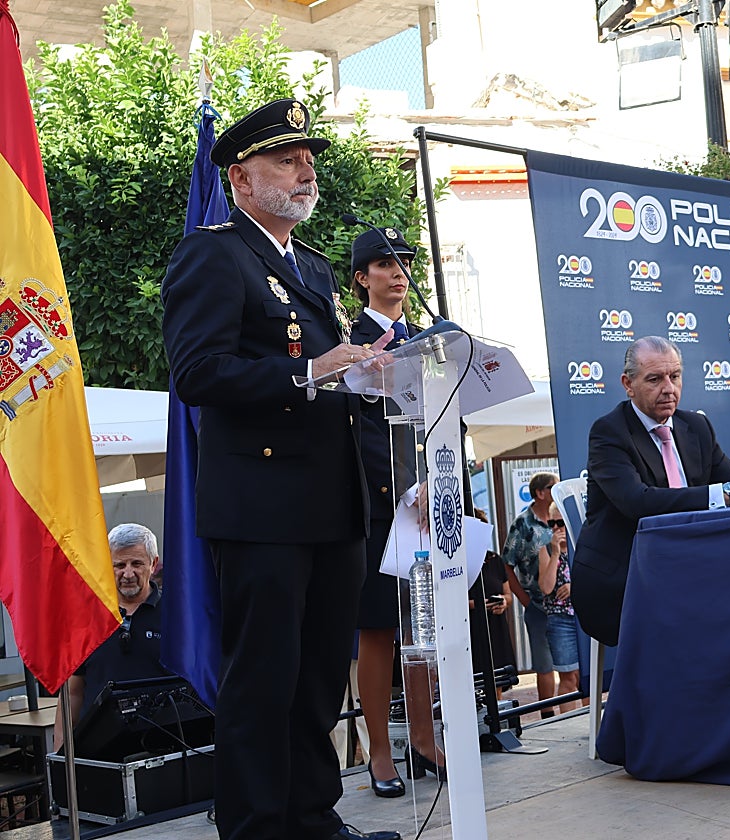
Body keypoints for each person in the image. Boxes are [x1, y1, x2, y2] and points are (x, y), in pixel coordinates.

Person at [160, 99, 399, 840]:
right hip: (263, 506)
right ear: (240, 178)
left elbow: (330, 374)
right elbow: (198, 373)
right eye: (286, 159)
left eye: (308, 159)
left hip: (333, 502)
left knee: (319, 680)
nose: (306, 171)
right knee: (263, 683)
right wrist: (310, 370)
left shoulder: (318, 267)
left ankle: (314, 821)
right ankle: (259, 829)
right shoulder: (213, 253)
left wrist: (370, 373)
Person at [572, 336, 730, 647]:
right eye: (655, 379)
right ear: (628, 384)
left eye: (675, 376)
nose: (668, 388)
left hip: (692, 567)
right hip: (627, 580)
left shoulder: (696, 426)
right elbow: (637, 502)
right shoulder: (609, 432)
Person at [347, 225, 421, 796]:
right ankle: (378, 749)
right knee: (378, 630)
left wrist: (441, 482)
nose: (397, 272)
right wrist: (397, 489)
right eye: (384, 263)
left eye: (404, 263)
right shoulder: (348, 342)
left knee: (426, 625)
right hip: (377, 511)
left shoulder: (431, 340)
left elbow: (450, 414)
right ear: (362, 278)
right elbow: (360, 431)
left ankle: (422, 735)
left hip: (429, 505)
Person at [53, 524, 171, 751]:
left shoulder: (177, 615)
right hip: (100, 753)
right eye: (119, 565)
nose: (128, 574)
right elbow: (72, 693)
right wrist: (61, 755)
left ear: (154, 564)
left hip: (164, 749)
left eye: (137, 563)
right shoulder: (86, 618)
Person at [502, 472, 560, 717]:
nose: (557, 490)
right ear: (540, 492)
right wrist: (524, 600)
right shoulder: (522, 524)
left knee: (573, 666)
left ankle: (576, 711)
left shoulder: (561, 517)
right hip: (538, 604)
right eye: (552, 487)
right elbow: (507, 564)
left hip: (567, 603)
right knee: (544, 665)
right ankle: (548, 716)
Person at [468, 508, 516, 700]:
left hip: (495, 627)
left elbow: (508, 594)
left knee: (498, 681)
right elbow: (449, 602)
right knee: (474, 683)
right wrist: (477, 605)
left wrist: (503, 602)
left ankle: (497, 717)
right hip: (471, 629)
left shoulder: (494, 559)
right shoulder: (456, 562)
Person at [537, 503, 579, 713]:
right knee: (568, 676)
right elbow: (546, 587)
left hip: (583, 616)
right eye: (551, 523)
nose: (556, 528)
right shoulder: (545, 547)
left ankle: (592, 724)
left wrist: (575, 587)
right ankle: (571, 723)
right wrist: (555, 553)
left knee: (586, 676)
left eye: (560, 522)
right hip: (560, 619)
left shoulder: (580, 540)